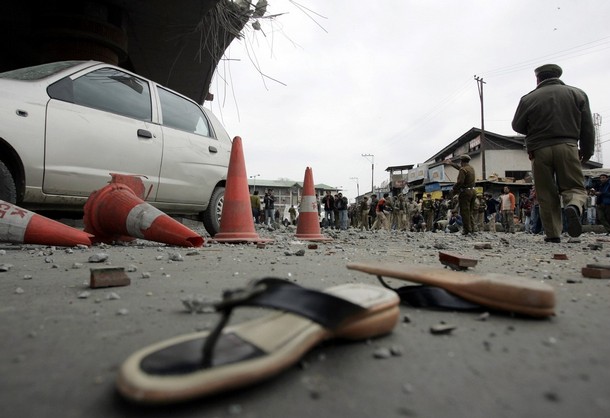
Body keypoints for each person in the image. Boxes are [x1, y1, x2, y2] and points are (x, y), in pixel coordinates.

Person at [512, 63, 594, 243]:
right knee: (573, 186)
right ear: (558, 76)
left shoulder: (528, 98)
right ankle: (573, 206)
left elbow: (516, 125)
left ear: (538, 79)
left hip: (539, 150)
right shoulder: (577, 94)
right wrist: (587, 151)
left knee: (546, 193)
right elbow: (587, 126)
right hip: (568, 145)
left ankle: (553, 234)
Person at [444, 154, 476, 235]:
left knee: (464, 212)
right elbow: (460, 168)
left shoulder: (463, 170)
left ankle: (466, 230)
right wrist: (451, 163)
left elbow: (460, 182)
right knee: (470, 211)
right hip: (473, 191)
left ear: (461, 161)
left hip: (465, 192)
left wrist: (454, 189)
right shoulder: (471, 168)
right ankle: (472, 228)